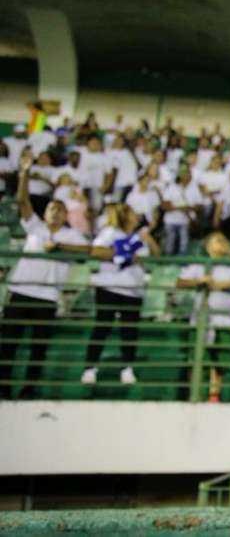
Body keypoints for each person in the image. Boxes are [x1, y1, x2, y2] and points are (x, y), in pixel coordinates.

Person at [0, 156, 91, 399]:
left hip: (48, 298)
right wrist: (24, 174)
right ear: (46, 212)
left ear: (66, 216)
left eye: (61, 210)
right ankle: (4, 388)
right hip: (20, 292)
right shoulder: (35, 227)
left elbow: (88, 251)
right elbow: (22, 200)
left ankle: (29, 389)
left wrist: (60, 246)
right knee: (7, 345)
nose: (56, 213)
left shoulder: (72, 237)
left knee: (37, 348)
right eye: (52, 208)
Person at [82, 204, 159, 386]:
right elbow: (96, 251)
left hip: (133, 290)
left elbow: (155, 256)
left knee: (130, 331)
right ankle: (90, 368)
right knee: (102, 328)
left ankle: (127, 368)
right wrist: (125, 254)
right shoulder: (110, 232)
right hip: (109, 287)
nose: (136, 216)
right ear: (124, 216)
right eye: (132, 213)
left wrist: (149, 240)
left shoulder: (141, 235)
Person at [176, 232, 230, 402]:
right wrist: (199, 281)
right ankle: (195, 394)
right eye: (218, 240)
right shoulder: (198, 266)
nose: (223, 243)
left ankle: (214, 396)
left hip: (226, 321)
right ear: (208, 246)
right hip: (201, 320)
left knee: (219, 361)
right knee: (197, 358)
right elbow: (180, 282)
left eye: (224, 240)